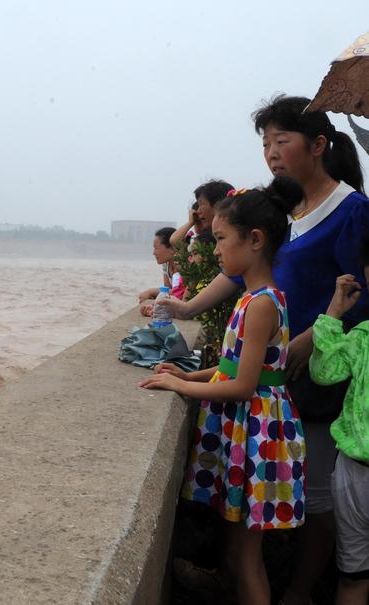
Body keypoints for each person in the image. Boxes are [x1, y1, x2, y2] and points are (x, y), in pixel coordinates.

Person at [157, 94, 369, 605]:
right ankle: (252, 578)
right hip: (278, 369)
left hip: (320, 372)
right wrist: (183, 310)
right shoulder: (284, 211)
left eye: (282, 140)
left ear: (318, 145)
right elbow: (239, 273)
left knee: (315, 496)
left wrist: (306, 340)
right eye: (265, 143)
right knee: (270, 511)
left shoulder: (353, 212)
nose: (271, 152)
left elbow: (360, 295)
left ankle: (298, 590)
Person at [142, 178, 306, 605]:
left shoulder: (263, 302)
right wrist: (188, 374)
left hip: (257, 433)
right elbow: (232, 367)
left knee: (245, 554)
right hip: (246, 430)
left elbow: (245, 384)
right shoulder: (254, 298)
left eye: (220, 239)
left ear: (254, 240)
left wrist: (179, 384)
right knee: (233, 549)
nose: (215, 250)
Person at [309, 241, 369, 605]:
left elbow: (322, 371)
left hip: (355, 476)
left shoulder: (362, 335)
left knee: (354, 580)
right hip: (353, 475)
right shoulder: (362, 335)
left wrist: (332, 313)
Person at [139, 227, 185, 316]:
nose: (154, 253)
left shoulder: (184, 266)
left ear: (172, 248)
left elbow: (179, 292)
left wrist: (151, 291)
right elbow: (168, 291)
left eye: (156, 248)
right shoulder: (166, 265)